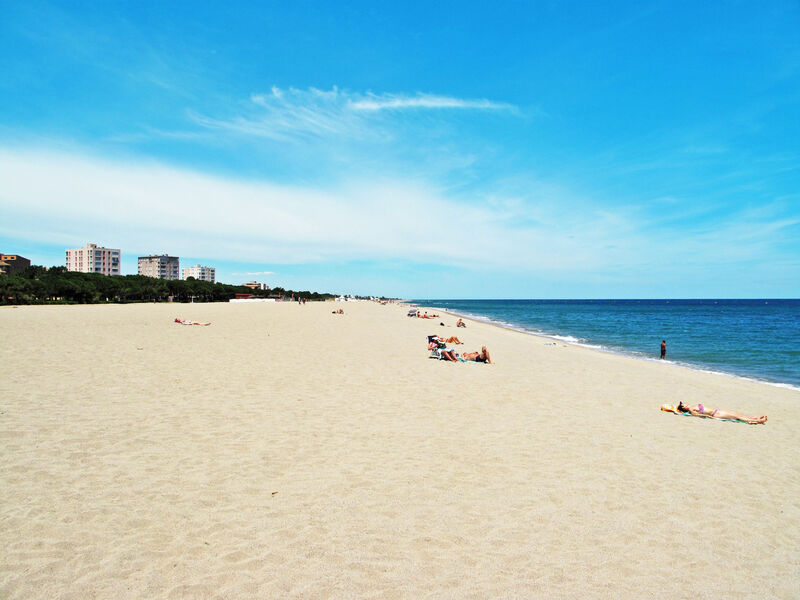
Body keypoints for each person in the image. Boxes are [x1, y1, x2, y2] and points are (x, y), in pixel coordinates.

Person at [676, 401, 766, 424]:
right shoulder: (691, 410)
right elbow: (697, 415)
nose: (686, 403)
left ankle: (755, 418)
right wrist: (708, 416)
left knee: (736, 414)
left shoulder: (692, 407)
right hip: (716, 414)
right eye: (684, 404)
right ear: (684, 408)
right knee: (736, 417)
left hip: (717, 411)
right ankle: (758, 421)